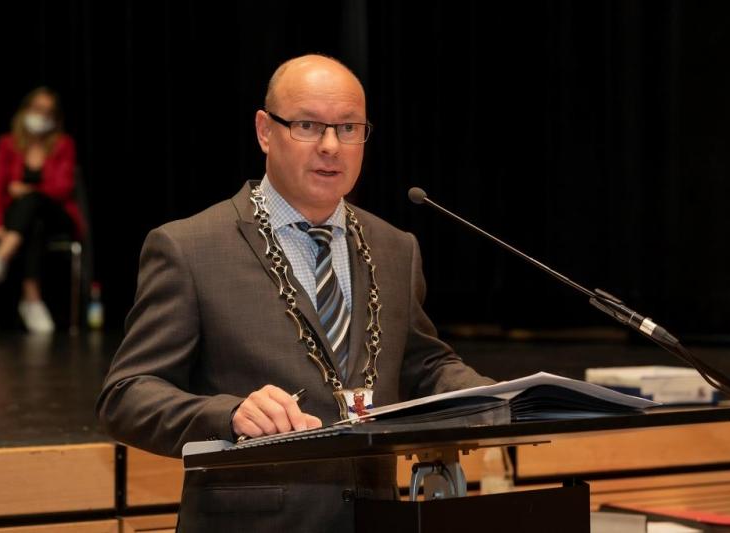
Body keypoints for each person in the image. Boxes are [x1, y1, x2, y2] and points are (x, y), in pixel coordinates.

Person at [96, 54, 493, 532]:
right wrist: (229, 414)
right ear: (265, 131)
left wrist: (502, 398)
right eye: (307, 126)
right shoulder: (190, 248)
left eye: (349, 128)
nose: (331, 146)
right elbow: (126, 396)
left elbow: (423, 365)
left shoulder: (395, 247)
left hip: (376, 518)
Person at [0, 87, 84, 333]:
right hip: (24, 222)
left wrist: (28, 190)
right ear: (25, 110)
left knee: (32, 201)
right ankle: (32, 299)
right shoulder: (6, 144)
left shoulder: (63, 145)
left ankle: (1, 256)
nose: (42, 116)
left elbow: (64, 187)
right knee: (33, 222)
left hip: (57, 215)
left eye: (48, 112)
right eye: (37, 109)